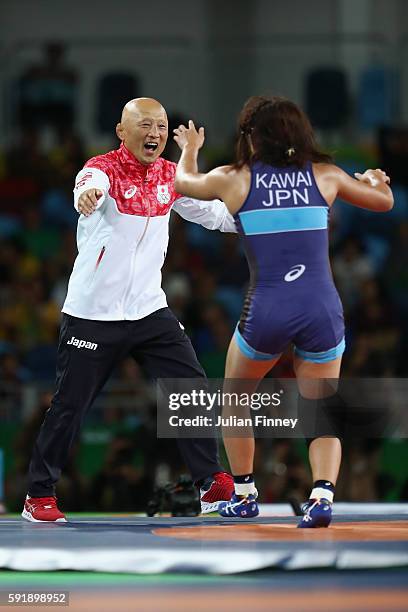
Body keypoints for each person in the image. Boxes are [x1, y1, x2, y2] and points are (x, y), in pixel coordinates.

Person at [173, 95, 394, 527]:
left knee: (235, 400)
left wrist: (190, 150)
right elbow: (384, 201)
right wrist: (374, 178)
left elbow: (183, 183)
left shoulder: (235, 178)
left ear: (253, 138)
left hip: (268, 311)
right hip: (321, 309)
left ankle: (245, 493)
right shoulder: (325, 175)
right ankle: (323, 497)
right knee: (321, 411)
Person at [22, 97, 235, 522]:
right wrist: (87, 196)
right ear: (122, 131)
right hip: (93, 314)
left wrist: (266, 217)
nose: (154, 133)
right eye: (144, 125)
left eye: (160, 126)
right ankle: (38, 496)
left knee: (190, 385)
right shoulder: (100, 168)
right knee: (70, 405)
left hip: (148, 310)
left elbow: (214, 216)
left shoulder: (172, 176)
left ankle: (210, 483)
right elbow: (86, 185)